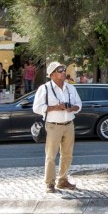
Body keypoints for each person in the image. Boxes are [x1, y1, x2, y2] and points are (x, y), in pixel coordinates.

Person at [32, 62, 82, 193]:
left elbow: (79, 104)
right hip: (53, 125)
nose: (63, 73)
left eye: (64, 70)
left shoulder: (71, 88)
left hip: (69, 124)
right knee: (51, 156)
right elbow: (36, 108)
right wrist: (55, 107)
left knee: (67, 155)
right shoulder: (45, 88)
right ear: (52, 74)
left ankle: (63, 180)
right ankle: (49, 183)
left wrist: (72, 108)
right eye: (60, 71)